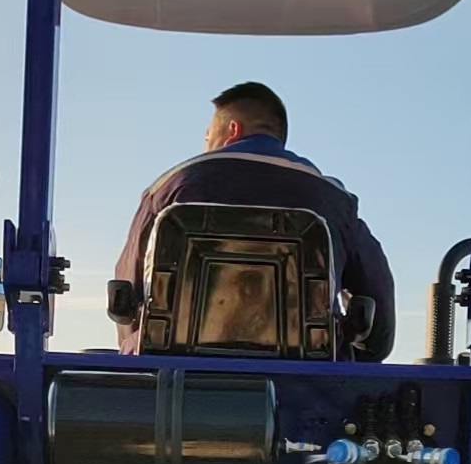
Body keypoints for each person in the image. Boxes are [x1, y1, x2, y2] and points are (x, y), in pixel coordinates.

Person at [113, 81, 395, 359]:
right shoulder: (334, 199)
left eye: (208, 136)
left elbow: (127, 295)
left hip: (179, 388)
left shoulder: (167, 189)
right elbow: (377, 305)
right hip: (310, 393)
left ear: (232, 130)